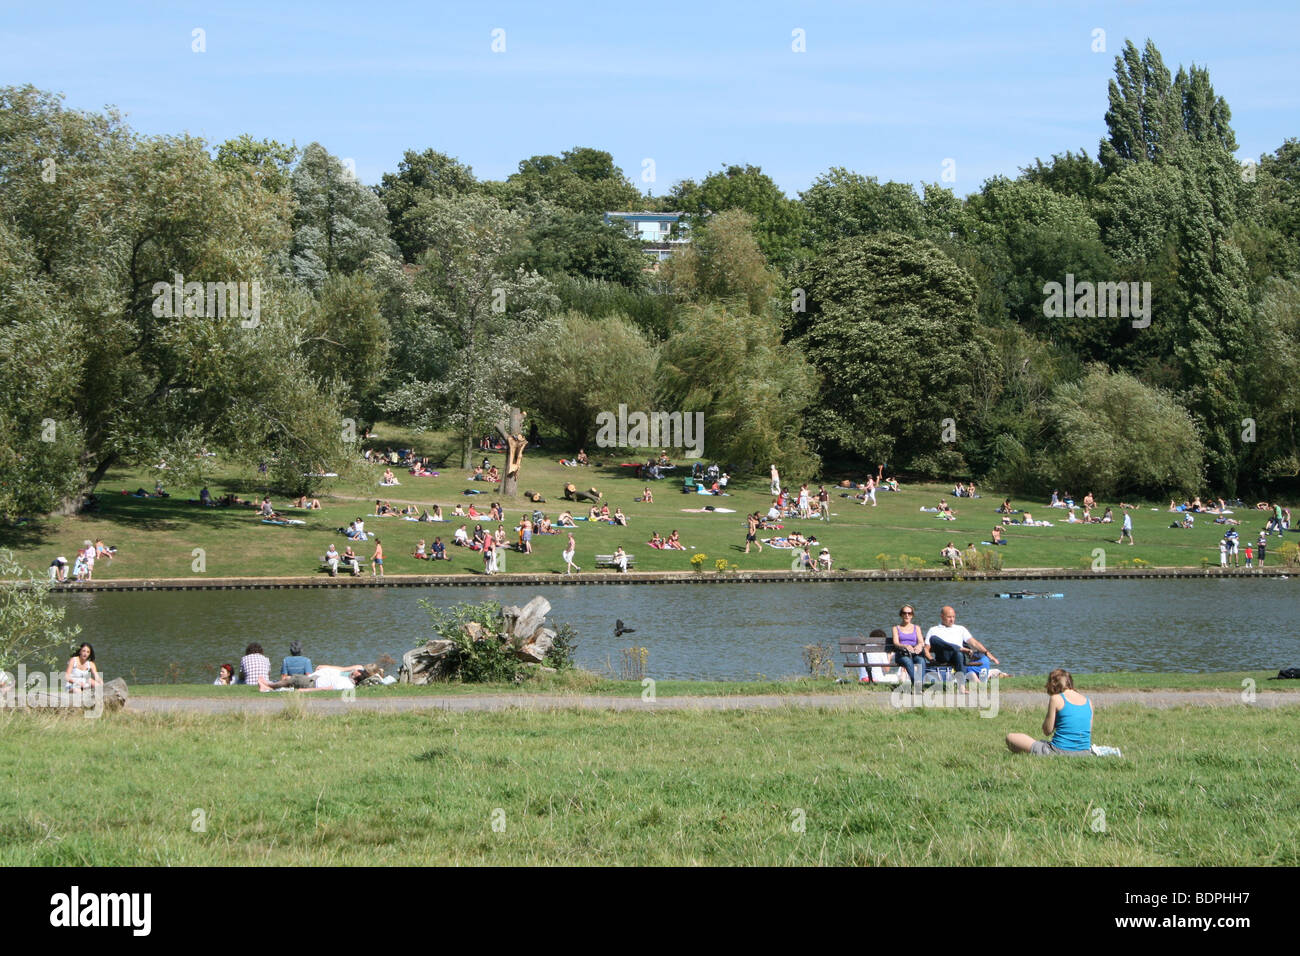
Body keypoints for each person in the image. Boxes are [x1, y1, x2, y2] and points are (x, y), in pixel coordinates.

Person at [1005, 669, 1093, 756]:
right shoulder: (1088, 702)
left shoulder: (1056, 698)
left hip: (1057, 751)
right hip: (1085, 752)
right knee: (1041, 743)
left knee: (1011, 737)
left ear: (1052, 685)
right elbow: (1087, 731)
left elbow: (1047, 731)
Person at [924, 606, 996, 684]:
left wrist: (987, 652)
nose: (952, 619)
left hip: (958, 657)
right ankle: (959, 649)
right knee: (934, 638)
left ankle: (962, 685)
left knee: (959, 654)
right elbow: (926, 649)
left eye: (953, 617)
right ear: (942, 616)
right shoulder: (934, 630)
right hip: (943, 657)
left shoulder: (960, 629)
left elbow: (974, 643)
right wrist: (931, 660)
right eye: (949, 617)